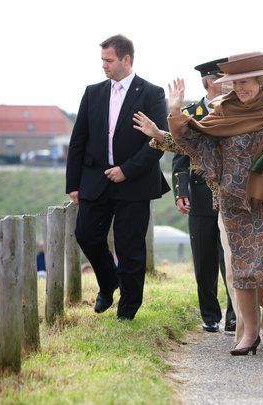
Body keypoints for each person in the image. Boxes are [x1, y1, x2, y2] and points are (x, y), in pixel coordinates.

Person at [133, 51, 263, 355]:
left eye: (245, 82)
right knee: (242, 270)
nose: (240, 88)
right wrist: (175, 114)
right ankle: (249, 335)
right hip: (233, 200)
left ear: (261, 80)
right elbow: (197, 141)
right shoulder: (223, 109)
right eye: (234, 83)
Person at [66, 34, 170, 321]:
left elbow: (159, 142)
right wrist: (73, 184)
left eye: (109, 60)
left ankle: (127, 312)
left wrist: (127, 170)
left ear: (127, 59)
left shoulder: (152, 93)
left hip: (135, 182)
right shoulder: (93, 92)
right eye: (102, 60)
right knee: (86, 234)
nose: (104, 66)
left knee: (130, 248)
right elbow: (79, 140)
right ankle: (109, 282)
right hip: (95, 179)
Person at [174, 58, 236, 333]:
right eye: (226, 79)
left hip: (230, 196)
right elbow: (180, 156)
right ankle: (210, 315)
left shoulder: (235, 111)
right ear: (212, 81)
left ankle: (235, 314)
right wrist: (180, 192)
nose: (231, 84)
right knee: (204, 260)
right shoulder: (190, 113)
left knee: (232, 259)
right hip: (199, 197)